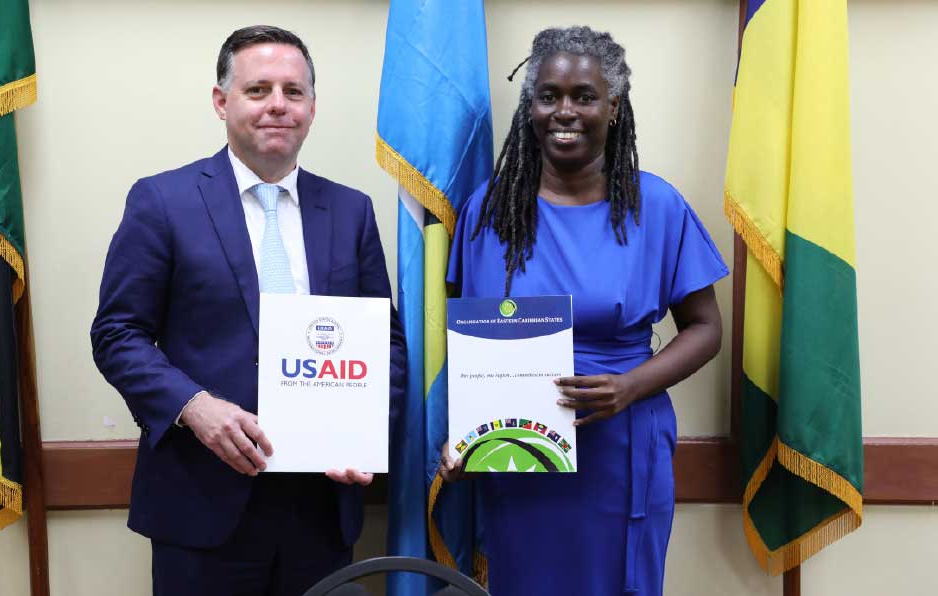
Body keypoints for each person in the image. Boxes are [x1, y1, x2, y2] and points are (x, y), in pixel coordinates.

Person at [90, 25, 405, 595]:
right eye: (258, 89)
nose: (277, 106)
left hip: (321, 507)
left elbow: (385, 344)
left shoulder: (351, 210)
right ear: (222, 101)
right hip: (202, 502)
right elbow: (118, 334)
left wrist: (365, 440)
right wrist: (194, 406)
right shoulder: (163, 201)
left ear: (312, 106)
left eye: (293, 91)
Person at [440, 26, 728, 595]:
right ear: (531, 108)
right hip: (518, 449)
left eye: (584, 96)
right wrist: (462, 430)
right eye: (548, 96)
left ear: (614, 107)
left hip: (621, 446)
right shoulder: (489, 210)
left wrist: (630, 387)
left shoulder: (658, 206)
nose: (564, 111)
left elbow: (707, 329)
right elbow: (472, 341)